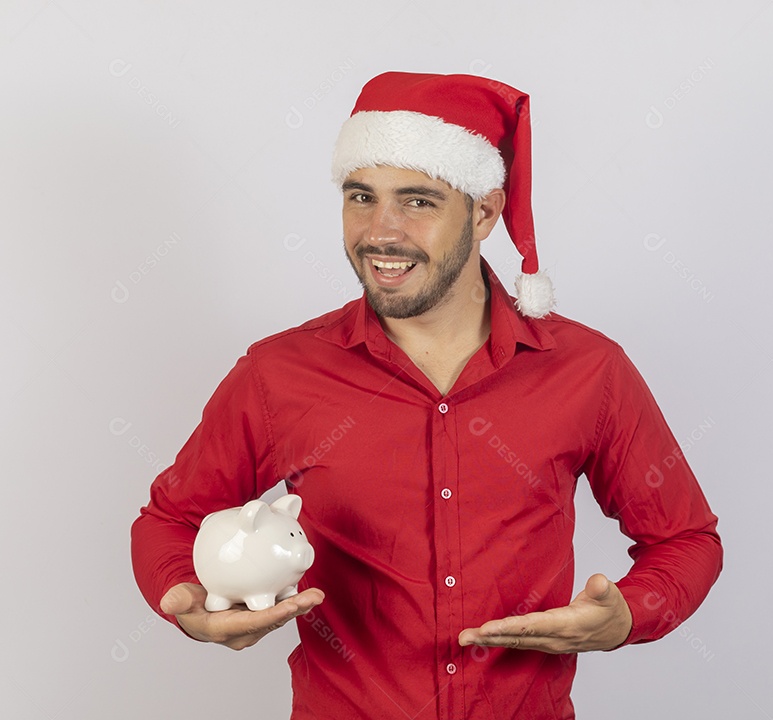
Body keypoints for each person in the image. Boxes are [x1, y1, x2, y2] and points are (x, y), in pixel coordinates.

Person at [131, 71, 722, 719]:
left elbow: (686, 538)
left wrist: (628, 614)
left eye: (418, 201)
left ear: (485, 212)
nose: (381, 232)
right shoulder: (279, 373)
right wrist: (187, 600)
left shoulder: (587, 369)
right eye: (361, 196)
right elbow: (171, 520)